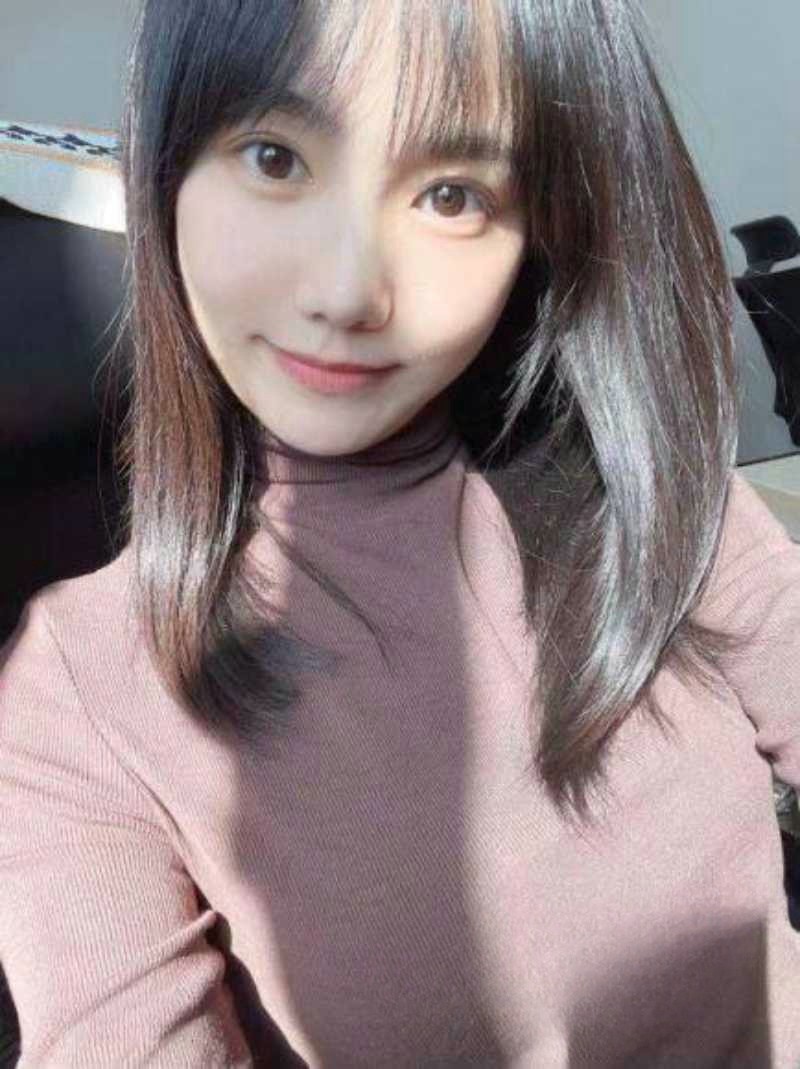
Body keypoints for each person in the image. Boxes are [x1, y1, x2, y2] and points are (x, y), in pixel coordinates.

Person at [0, 0, 798, 1064]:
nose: (347, 293)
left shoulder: (650, 495)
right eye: (276, 158)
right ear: (167, 172)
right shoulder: (77, 693)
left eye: (451, 195)